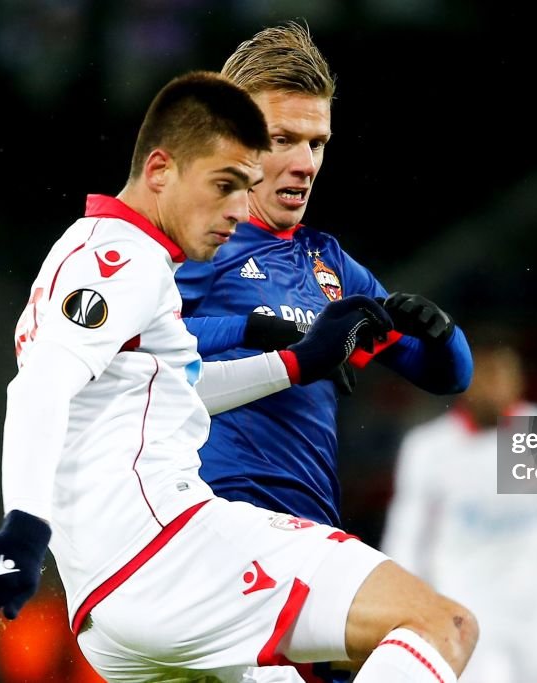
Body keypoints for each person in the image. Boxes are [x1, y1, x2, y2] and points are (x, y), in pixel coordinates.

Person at [0, 71, 478, 683]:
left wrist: (295, 364)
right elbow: (39, 387)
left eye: (245, 188)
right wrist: (23, 529)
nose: (239, 210)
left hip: (108, 612)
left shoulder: (92, 251)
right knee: (443, 625)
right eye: (224, 185)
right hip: (169, 550)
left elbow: (170, 393)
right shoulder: (124, 260)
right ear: (160, 170)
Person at [175, 22, 473, 531]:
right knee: (437, 616)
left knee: (433, 615)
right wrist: (254, 329)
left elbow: (448, 376)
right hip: (216, 520)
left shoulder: (327, 262)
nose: (304, 164)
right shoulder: (194, 241)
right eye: (282, 139)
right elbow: (132, 346)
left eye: (316, 144)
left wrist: (440, 332)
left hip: (310, 526)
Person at [381, 329, 537, 683]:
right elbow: (405, 537)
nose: (493, 385)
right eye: (484, 374)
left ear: (518, 379)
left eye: (502, 373)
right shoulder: (428, 449)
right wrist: (404, 610)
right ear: (464, 377)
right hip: (464, 615)